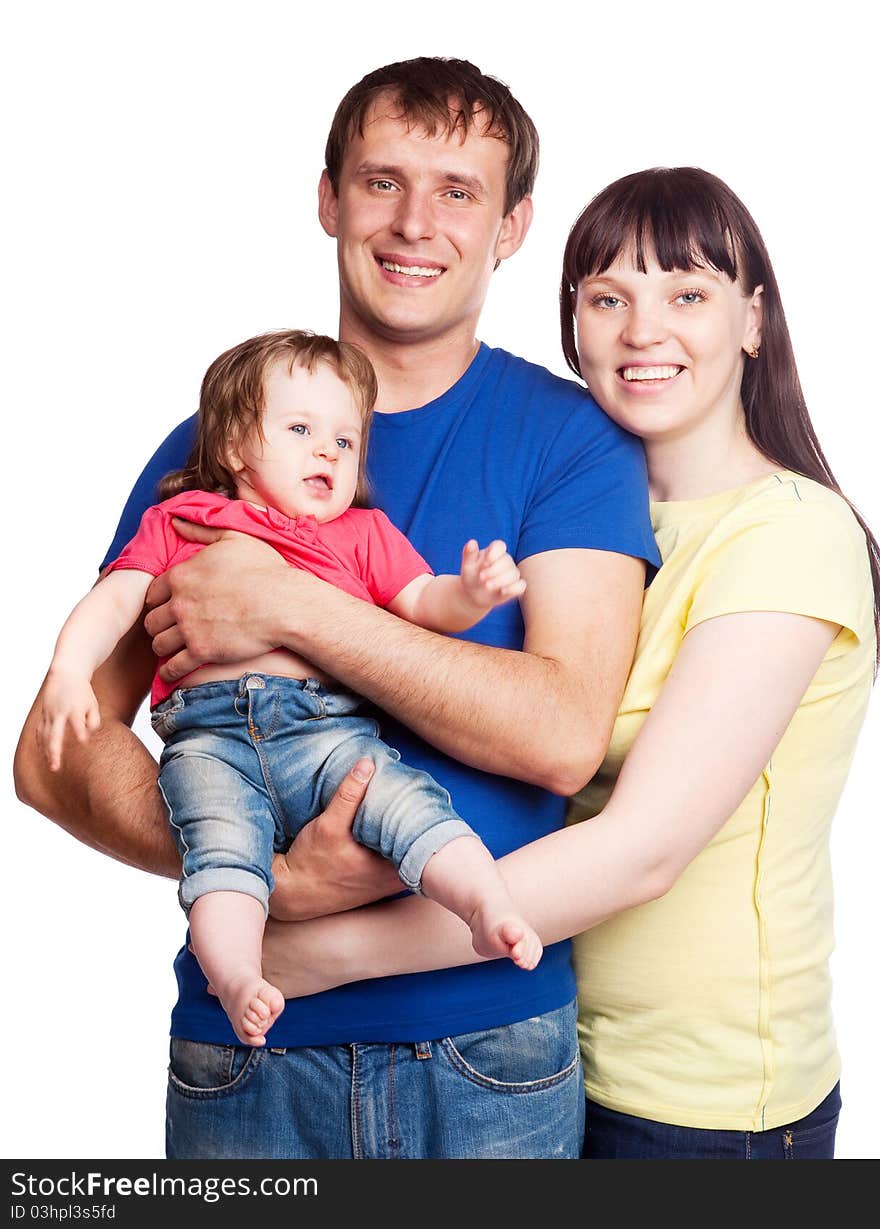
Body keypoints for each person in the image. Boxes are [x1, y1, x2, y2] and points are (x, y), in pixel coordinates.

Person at [14, 58, 659, 1159]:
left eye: (459, 191)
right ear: (328, 199)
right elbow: (52, 755)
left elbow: (559, 736)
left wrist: (290, 606)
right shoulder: (206, 453)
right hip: (246, 1049)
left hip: (488, 1051)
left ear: (511, 227)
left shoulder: (571, 438)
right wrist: (250, 869)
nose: (416, 222)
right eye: (381, 181)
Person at [254, 167, 879, 1161]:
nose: (642, 331)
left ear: (753, 320)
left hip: (704, 1107)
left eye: (687, 294)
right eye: (605, 297)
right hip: (546, 1054)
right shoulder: (587, 522)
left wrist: (317, 951)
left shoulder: (790, 536)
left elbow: (640, 849)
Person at [38, 327, 543, 1048]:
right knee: (219, 852)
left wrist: (470, 592)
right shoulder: (183, 520)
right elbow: (117, 600)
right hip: (209, 741)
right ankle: (242, 972)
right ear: (236, 447)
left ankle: (486, 905)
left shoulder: (361, 533)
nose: (327, 452)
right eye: (301, 429)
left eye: (344, 440)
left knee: (407, 803)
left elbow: (422, 602)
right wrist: (66, 667)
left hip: (327, 732)